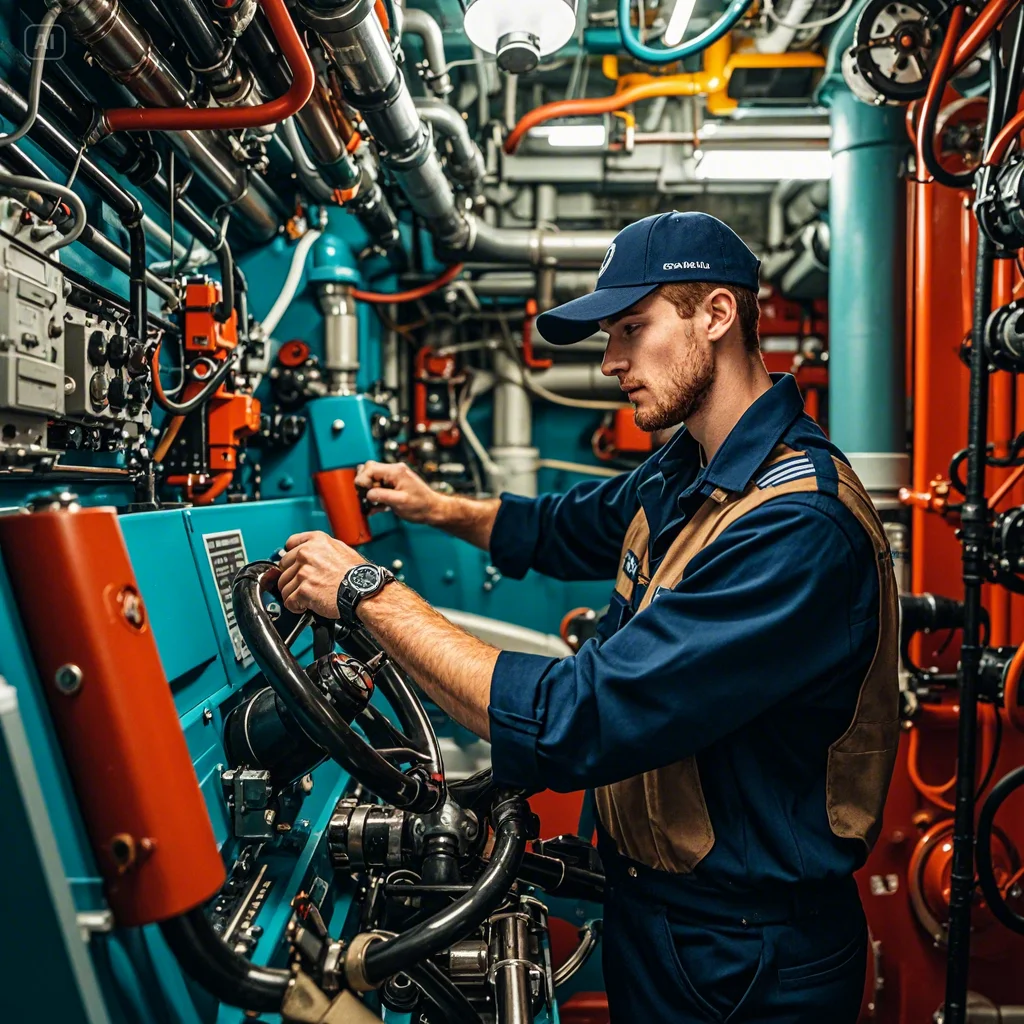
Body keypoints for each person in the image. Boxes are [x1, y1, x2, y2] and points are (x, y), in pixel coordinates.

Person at [271, 211, 899, 1023]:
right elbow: (566, 526)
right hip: (661, 921)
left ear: (717, 314)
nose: (610, 361)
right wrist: (436, 507)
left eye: (633, 328)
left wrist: (363, 589)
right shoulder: (690, 469)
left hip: (748, 959)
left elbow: (581, 717)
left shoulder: (795, 525)